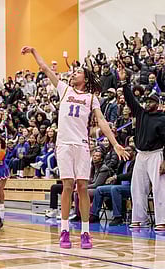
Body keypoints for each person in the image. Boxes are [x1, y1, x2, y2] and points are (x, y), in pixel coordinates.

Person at [21, 45, 127, 250]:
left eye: (77, 71)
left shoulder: (91, 98)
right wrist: (34, 51)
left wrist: (115, 144)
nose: (73, 73)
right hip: (64, 144)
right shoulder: (64, 89)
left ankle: (86, 232)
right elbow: (44, 67)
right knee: (67, 186)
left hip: (81, 145)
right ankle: (64, 230)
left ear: (85, 79)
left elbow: (103, 122)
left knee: (82, 188)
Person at [119, 65, 165, 230]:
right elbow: (130, 99)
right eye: (147, 101)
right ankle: (139, 219)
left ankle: (163, 220)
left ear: (157, 104)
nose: (147, 103)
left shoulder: (163, 119)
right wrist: (124, 83)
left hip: (157, 154)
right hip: (141, 155)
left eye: (151, 101)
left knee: (159, 187)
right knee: (137, 187)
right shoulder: (141, 114)